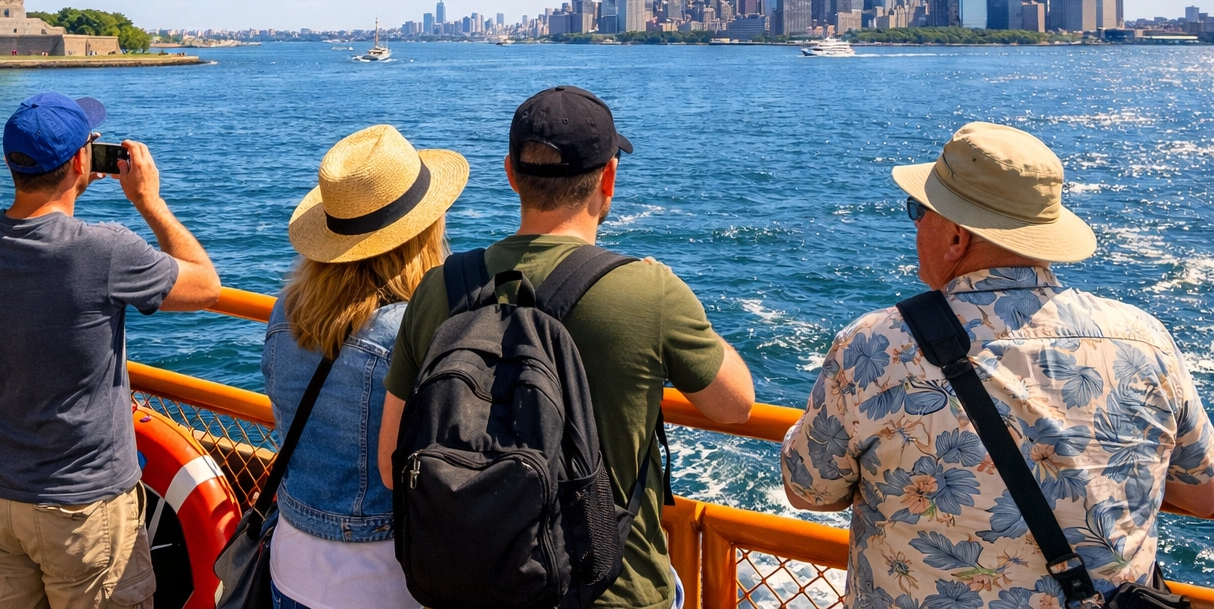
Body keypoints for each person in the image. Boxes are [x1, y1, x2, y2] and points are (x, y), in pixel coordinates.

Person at [781, 122, 1214, 609]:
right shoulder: (1145, 338)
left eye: (917, 212)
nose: (915, 225)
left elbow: (809, 491)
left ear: (955, 237)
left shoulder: (876, 346)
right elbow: (1204, 494)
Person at [379, 85, 757, 609]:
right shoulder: (649, 291)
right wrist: (678, 305)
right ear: (609, 178)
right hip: (611, 590)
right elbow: (736, 406)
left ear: (510, 174)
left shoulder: (439, 287)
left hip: (473, 587)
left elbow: (389, 462)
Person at [0, 93, 222, 609]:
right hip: (82, 507)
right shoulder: (106, 249)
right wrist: (149, 201)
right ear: (81, 161)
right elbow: (206, 286)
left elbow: (32, 234)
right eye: (90, 145)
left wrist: (70, 183)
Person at [263, 124, 468, 609]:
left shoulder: (287, 311)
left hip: (292, 561)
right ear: (423, 231)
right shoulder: (414, 331)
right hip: (385, 576)